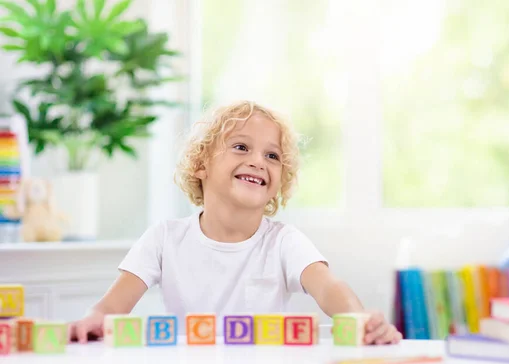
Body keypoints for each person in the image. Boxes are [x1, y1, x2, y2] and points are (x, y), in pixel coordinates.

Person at [69, 100, 401, 345]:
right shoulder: (164, 238)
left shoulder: (284, 241)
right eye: (241, 147)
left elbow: (329, 288)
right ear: (201, 164)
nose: (258, 161)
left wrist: (360, 320)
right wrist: (93, 319)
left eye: (272, 156)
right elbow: (112, 306)